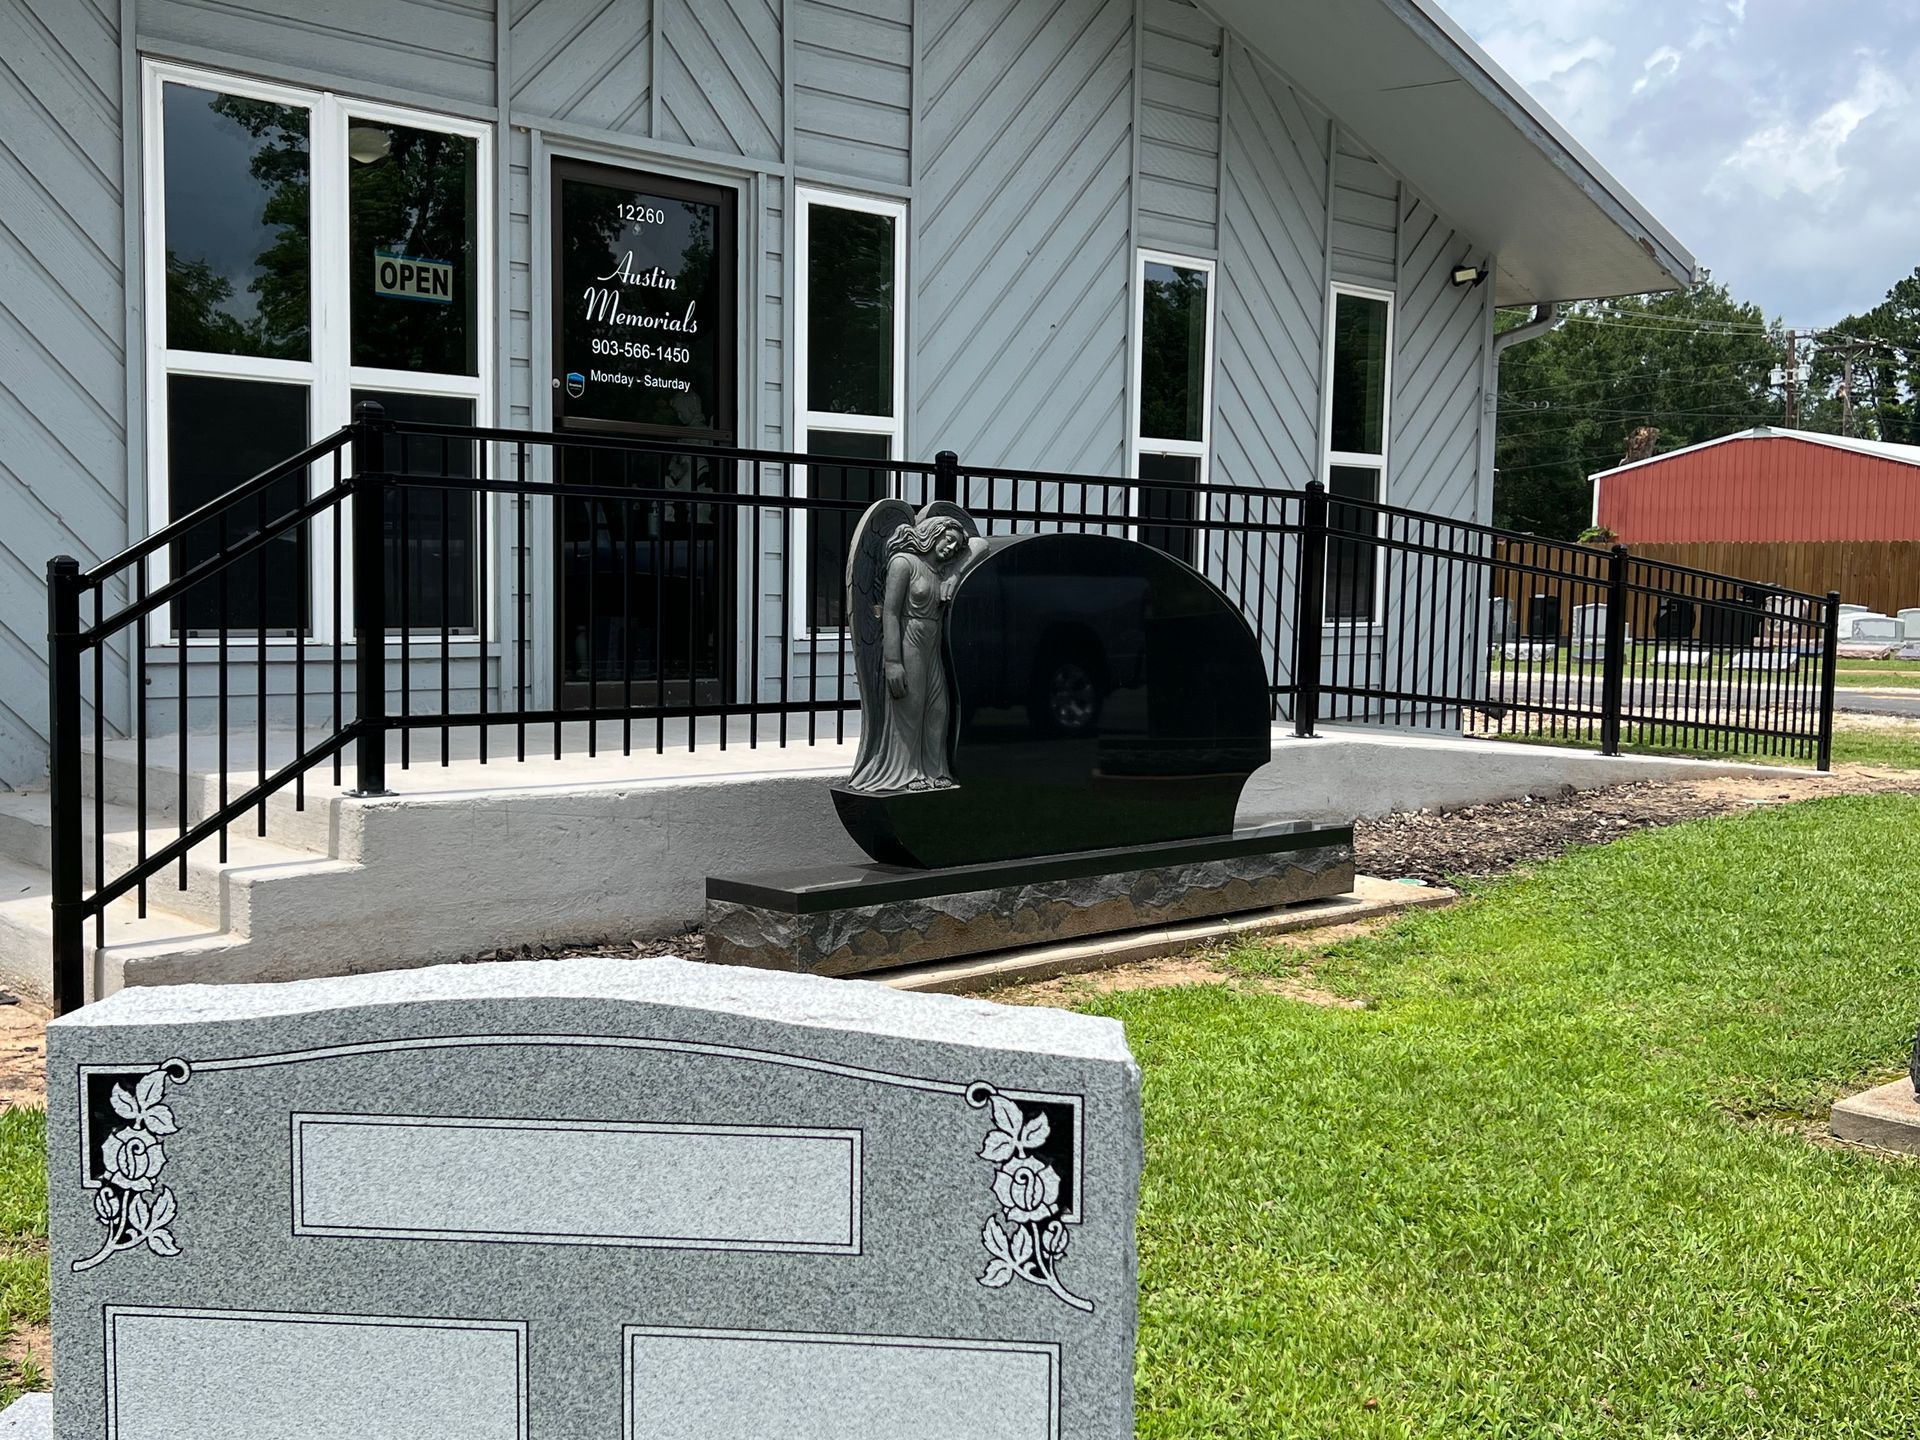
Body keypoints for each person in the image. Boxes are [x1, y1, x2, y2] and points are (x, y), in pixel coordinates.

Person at [849, 515, 983, 792]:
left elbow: (981, 545)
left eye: (956, 546)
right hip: (908, 641)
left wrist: (956, 573)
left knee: (937, 710)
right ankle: (908, 772)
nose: (951, 548)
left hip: (931, 647)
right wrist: (892, 661)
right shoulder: (904, 563)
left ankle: (935, 770)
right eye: (948, 539)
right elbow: (890, 613)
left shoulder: (942, 572)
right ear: (932, 533)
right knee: (910, 709)